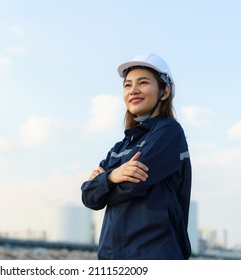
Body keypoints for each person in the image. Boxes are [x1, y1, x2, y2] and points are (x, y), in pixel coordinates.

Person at [81, 52, 192, 260]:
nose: (133, 90)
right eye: (127, 85)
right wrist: (114, 177)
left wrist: (102, 184)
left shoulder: (169, 132)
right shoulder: (120, 146)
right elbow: (89, 198)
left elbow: (134, 185)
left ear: (165, 91)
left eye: (143, 83)